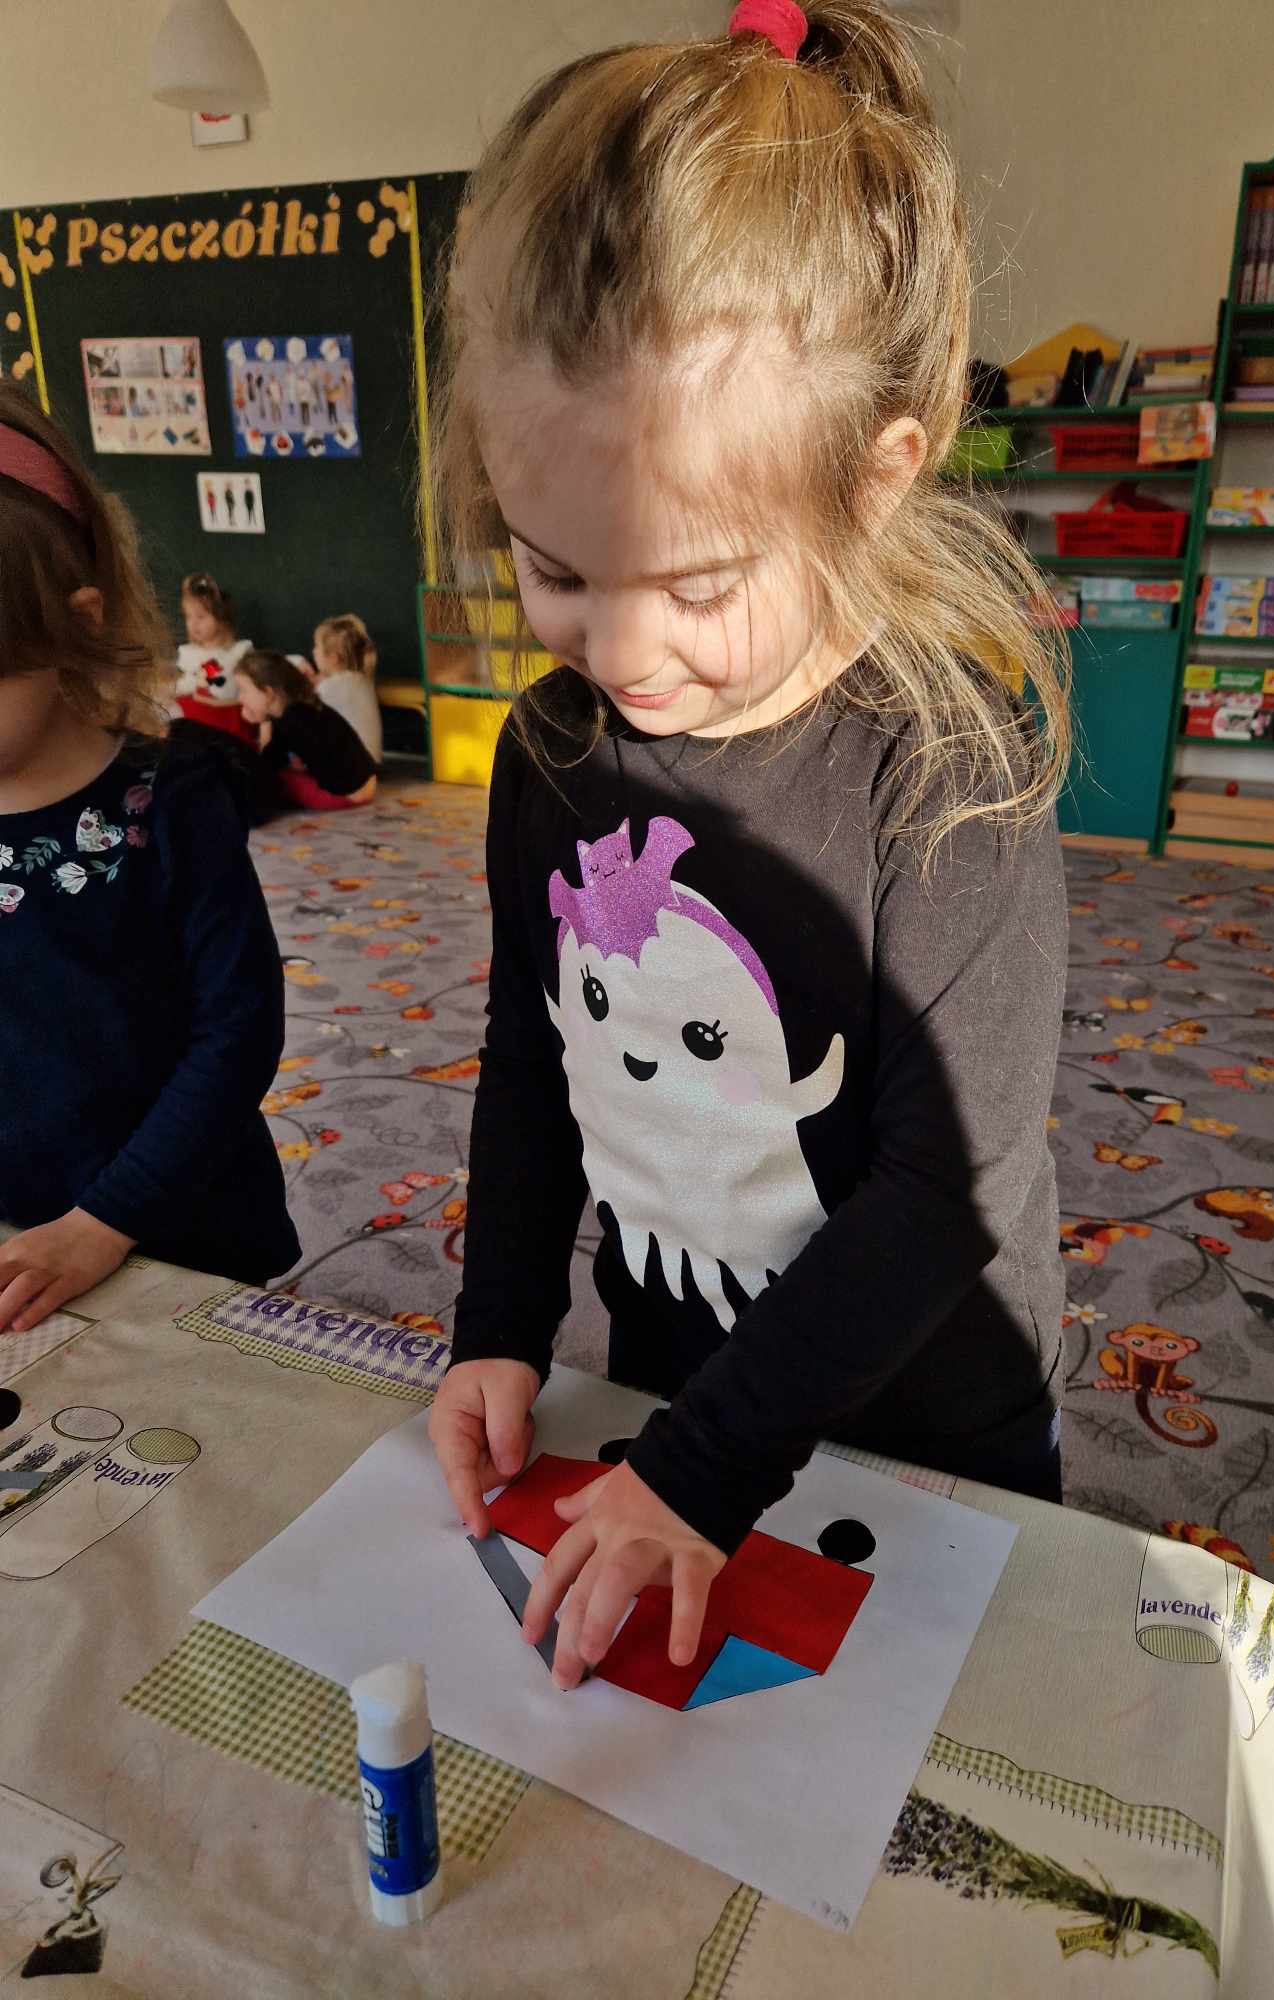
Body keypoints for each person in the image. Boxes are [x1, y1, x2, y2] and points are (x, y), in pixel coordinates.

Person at [426, 0, 1071, 1693]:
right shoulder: (549, 751)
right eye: (555, 568)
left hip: (924, 1428)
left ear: (873, 482)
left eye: (698, 584)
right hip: (673, 1385)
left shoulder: (948, 772)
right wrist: (500, 1326)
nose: (624, 650)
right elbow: (531, 1060)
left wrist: (706, 1471)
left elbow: (947, 1189)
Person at [0, 385, 299, 1329]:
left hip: (185, 1235)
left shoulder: (174, 800)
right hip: (22, 1254)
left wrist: (104, 1222)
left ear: (77, 623)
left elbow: (238, 1030)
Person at [235, 649, 378, 811]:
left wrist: (262, 722)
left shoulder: (289, 721)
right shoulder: (306, 707)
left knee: (275, 777)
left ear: (268, 692)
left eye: (243, 690)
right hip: (367, 782)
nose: (240, 698)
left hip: (347, 794)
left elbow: (267, 763)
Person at [175, 571, 255, 742]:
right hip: (194, 732)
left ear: (221, 618)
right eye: (188, 616)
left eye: (201, 616)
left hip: (229, 730)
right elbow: (180, 688)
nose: (193, 623)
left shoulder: (239, 651)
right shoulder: (186, 653)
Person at [310, 613, 382, 764]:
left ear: (334, 658)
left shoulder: (330, 687)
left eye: (317, 647)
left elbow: (303, 712)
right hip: (370, 765)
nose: (313, 651)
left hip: (349, 768)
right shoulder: (362, 680)